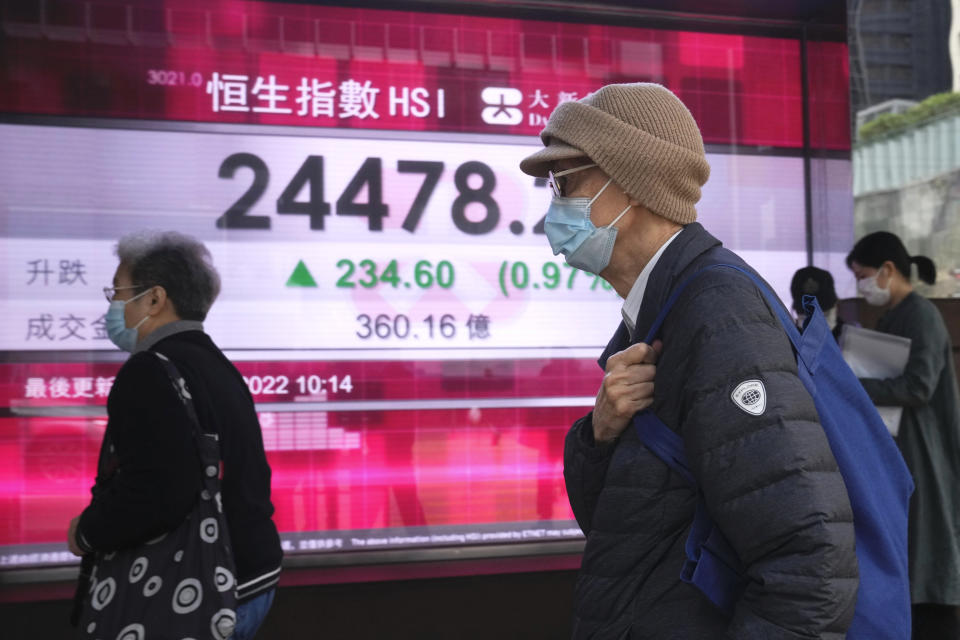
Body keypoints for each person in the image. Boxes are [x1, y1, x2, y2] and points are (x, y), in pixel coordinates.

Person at [519, 83, 857, 638]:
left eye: (565, 183)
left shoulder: (718, 312)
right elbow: (620, 524)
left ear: (630, 182)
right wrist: (599, 437)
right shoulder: (660, 310)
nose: (555, 208)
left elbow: (809, 562)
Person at [67, 231, 282, 639]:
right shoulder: (217, 364)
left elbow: (157, 491)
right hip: (249, 575)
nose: (113, 307)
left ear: (154, 299)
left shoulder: (150, 370)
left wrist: (86, 532)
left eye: (117, 292)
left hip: (200, 589)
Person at [847, 231, 960, 639]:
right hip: (905, 448)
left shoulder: (921, 315)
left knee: (929, 546)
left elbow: (918, 387)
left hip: (926, 452)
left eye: (862, 276)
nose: (861, 286)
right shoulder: (896, 315)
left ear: (887, 270)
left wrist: (853, 387)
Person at [790, 265, 847, 340]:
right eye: (806, 317)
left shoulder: (850, 338)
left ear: (836, 305)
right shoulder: (788, 341)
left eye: (825, 315)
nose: (816, 323)